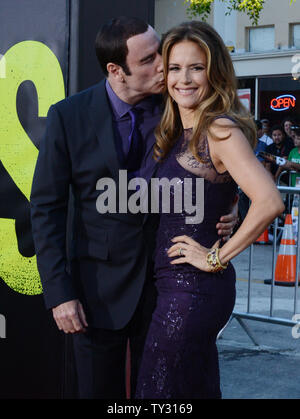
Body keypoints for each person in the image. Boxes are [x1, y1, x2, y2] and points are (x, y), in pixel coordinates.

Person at [30, 16, 238, 399]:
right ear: (116, 70)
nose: (163, 65)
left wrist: (230, 210)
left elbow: (221, 164)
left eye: (161, 51)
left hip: (168, 286)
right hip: (97, 291)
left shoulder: (177, 107)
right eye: (148, 60)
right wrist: (59, 293)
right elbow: (46, 209)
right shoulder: (69, 116)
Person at [135, 21, 284, 399]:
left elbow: (270, 201)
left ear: (213, 72)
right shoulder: (175, 131)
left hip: (193, 291)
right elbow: (210, 188)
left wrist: (216, 256)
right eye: (174, 68)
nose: (184, 79)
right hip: (171, 286)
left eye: (196, 67)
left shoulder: (218, 129)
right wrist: (229, 204)